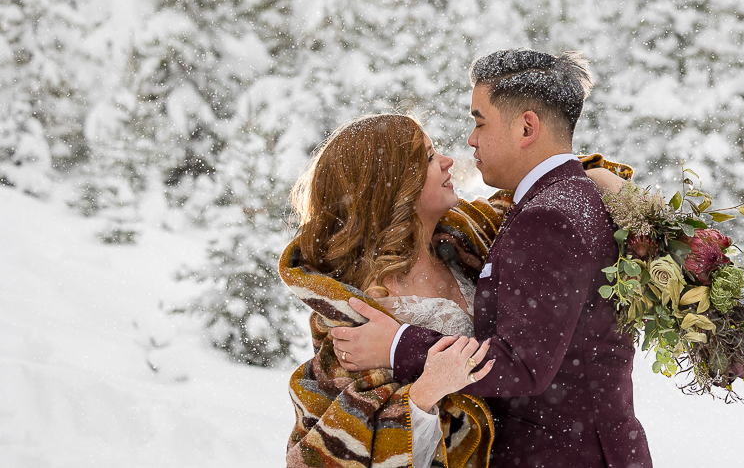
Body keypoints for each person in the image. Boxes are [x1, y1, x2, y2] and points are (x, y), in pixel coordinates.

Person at [334, 50, 653, 468]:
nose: (470, 139)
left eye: (479, 120)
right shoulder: (574, 196)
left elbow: (521, 364)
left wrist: (397, 345)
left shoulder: (548, 216)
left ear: (526, 127)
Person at [279, 113, 498, 468]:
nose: (447, 161)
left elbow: (540, 189)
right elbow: (326, 455)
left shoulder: (465, 240)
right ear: (393, 187)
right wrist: (424, 394)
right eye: (428, 157)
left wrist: (599, 176)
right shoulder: (362, 309)